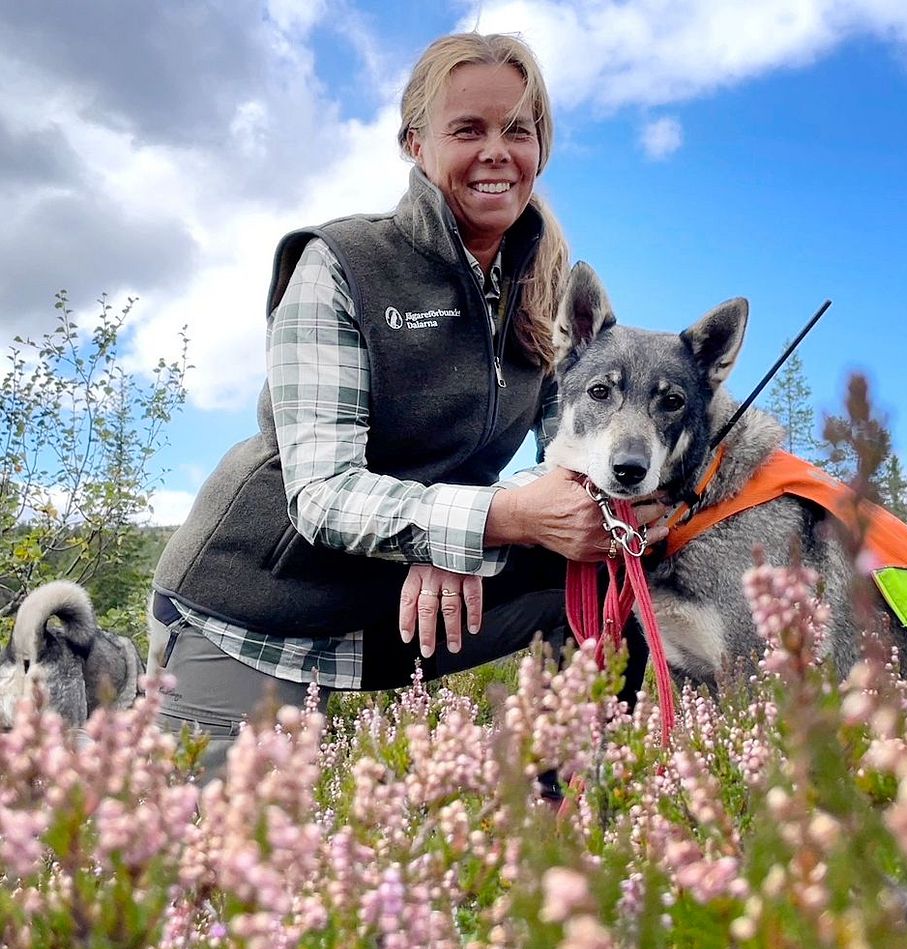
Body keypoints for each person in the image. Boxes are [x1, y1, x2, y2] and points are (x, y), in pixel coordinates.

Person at [150, 31, 668, 781]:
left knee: (604, 575)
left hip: (395, 604)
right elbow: (321, 496)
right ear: (414, 142)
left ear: (541, 147)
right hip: (259, 613)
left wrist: (460, 539)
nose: (496, 151)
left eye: (517, 130)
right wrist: (489, 522)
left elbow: (582, 465)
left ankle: (558, 818)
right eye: (468, 129)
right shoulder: (340, 266)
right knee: (210, 878)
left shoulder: (547, 295)